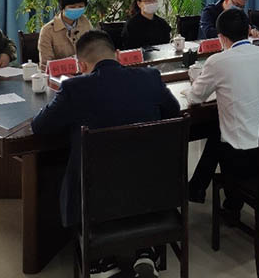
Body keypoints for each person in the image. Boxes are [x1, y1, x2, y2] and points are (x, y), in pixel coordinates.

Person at [31, 30, 180, 277]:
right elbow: (173, 111)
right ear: (118, 55)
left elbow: (40, 126)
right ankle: (144, 251)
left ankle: (102, 263)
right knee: (133, 168)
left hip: (95, 196)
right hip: (151, 188)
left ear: (81, 65)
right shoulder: (150, 77)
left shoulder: (74, 88)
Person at [187, 8, 259, 209]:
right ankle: (199, 189)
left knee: (218, 130)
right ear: (249, 30)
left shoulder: (218, 61)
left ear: (221, 37)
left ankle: (227, 203)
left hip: (239, 154)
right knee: (218, 129)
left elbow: (194, 98)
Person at [38, 0, 92, 70]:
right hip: (60, 76)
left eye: (80, 6)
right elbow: (46, 65)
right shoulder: (47, 31)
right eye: (72, 7)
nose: (76, 9)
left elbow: (93, 51)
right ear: (62, 7)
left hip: (86, 72)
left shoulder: (85, 23)